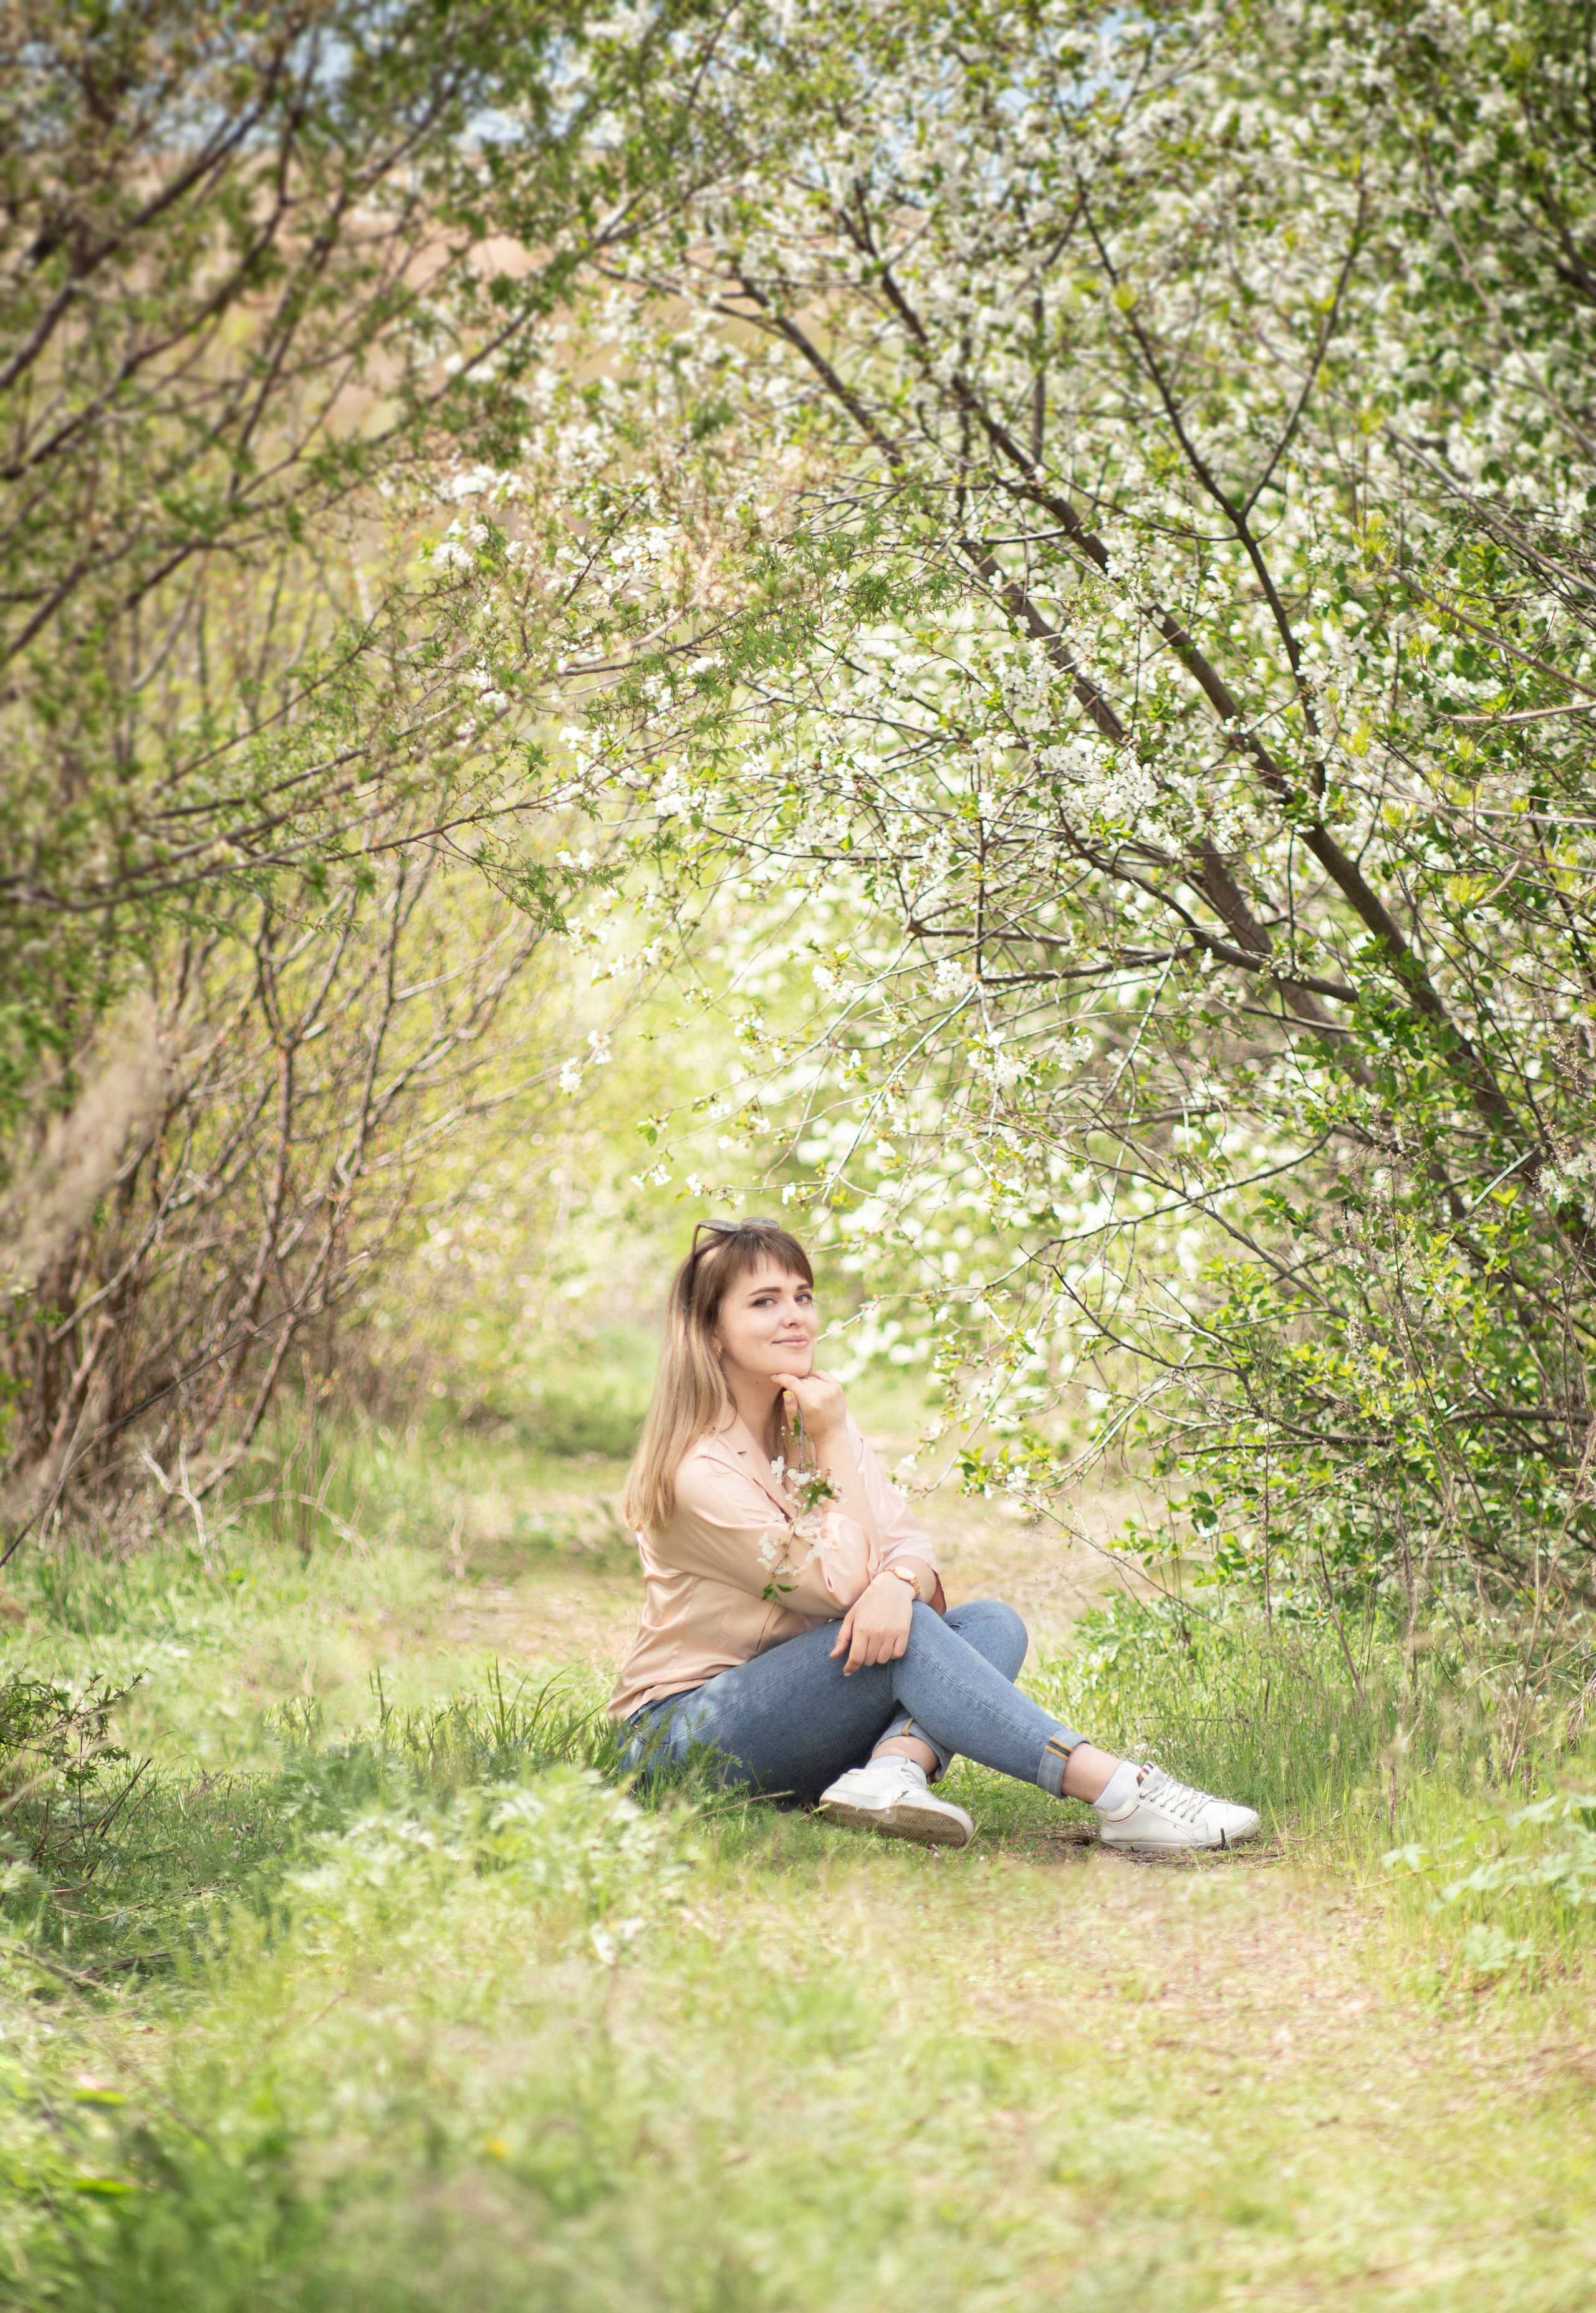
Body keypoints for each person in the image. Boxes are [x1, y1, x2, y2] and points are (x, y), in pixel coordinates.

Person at [611, 1218, 1260, 1853]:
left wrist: (897, 1582)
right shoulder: (698, 1471)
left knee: (990, 1623)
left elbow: (909, 1545)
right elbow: (840, 1587)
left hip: (800, 1717)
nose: (795, 1317)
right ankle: (1121, 1793)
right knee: (909, 1633)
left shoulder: (814, 1420)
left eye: (802, 1296)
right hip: (683, 1738)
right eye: (764, 1301)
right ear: (711, 1330)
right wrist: (839, 1458)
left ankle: (890, 1771)